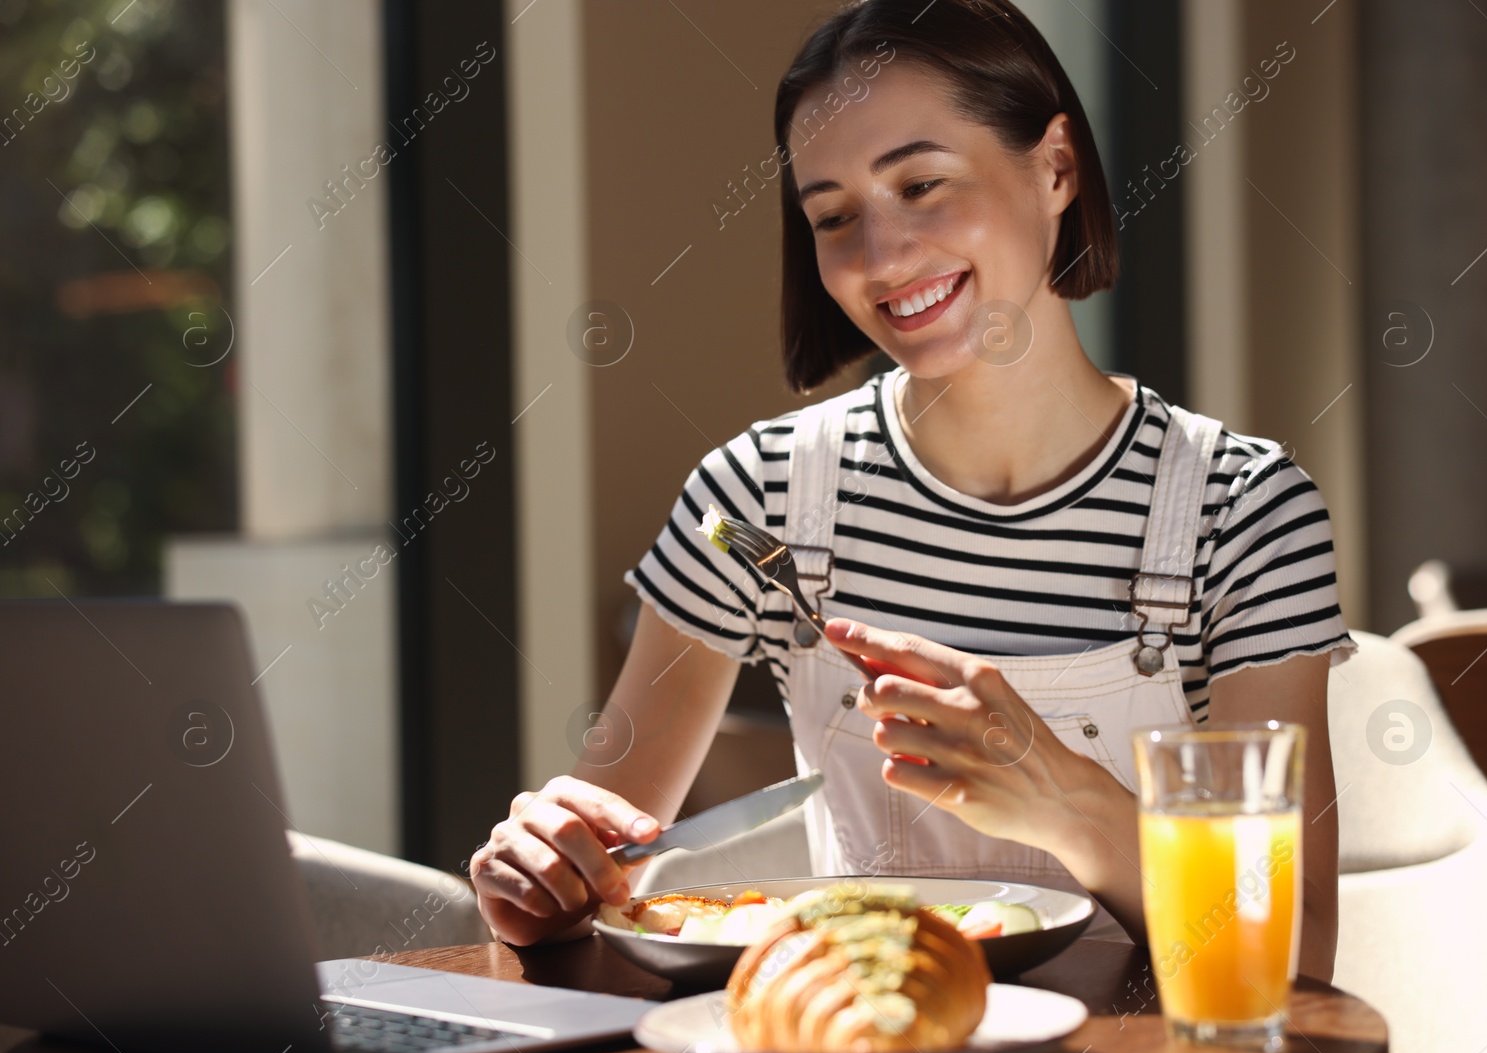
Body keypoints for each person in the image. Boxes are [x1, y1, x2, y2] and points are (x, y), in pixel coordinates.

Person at [468, 0, 1354, 982]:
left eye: (922, 184)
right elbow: (594, 879)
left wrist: (1061, 795)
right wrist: (538, 879)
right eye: (833, 216)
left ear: (1056, 167)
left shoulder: (1242, 512)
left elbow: (1291, 945)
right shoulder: (755, 509)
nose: (880, 259)